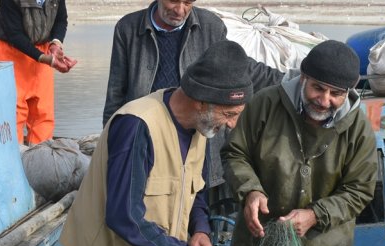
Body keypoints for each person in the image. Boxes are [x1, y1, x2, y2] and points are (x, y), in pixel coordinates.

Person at [60, 41, 251, 246]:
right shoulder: (137, 125)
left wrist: (200, 230)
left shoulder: (201, 127)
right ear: (202, 100)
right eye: (229, 114)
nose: (231, 124)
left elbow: (196, 191)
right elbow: (124, 217)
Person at [222, 40, 379, 246]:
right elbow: (234, 153)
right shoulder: (265, 104)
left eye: (336, 93)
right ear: (303, 77)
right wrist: (250, 190)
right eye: (318, 88)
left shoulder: (358, 127)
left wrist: (316, 215)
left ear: (348, 92)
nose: (324, 100)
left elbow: (360, 189)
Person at [102, 0, 283, 189]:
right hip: (147, 136)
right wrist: (111, 149)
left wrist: (291, 79)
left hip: (198, 138)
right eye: (173, 1)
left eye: (188, 2)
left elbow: (240, 68)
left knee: (196, 198)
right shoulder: (128, 28)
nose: (180, 10)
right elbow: (116, 94)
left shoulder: (210, 26)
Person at [0, 0, 77, 145]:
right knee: (14, 111)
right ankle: (13, 154)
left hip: (42, 50)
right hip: (10, 50)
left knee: (43, 110)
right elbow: (14, 34)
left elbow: (61, 20)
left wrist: (55, 44)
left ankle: (41, 153)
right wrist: (44, 58)